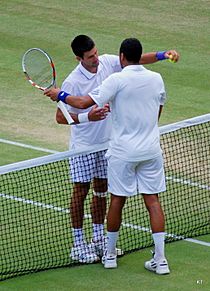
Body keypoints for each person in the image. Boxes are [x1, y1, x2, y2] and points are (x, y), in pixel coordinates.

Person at [45, 34, 179, 264]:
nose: (96, 59)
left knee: (101, 192)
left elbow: (137, 60)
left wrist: (161, 55)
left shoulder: (108, 62)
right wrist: (89, 117)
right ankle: (78, 243)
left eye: (96, 53)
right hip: (84, 147)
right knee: (80, 192)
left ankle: (98, 238)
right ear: (79, 58)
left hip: (108, 145)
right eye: (90, 57)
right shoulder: (72, 81)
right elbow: (61, 117)